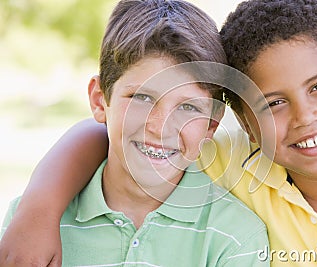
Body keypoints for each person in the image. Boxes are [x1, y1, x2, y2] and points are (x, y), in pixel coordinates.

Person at [2, 0, 317, 266]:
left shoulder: (233, 212)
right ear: (247, 123)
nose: (305, 117)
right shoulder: (231, 160)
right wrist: (39, 211)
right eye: (273, 103)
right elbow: (101, 135)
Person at [0, 0, 270, 266]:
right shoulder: (29, 226)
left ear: (212, 123)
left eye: (188, 107)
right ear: (98, 100)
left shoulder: (234, 239)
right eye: (141, 97)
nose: (159, 126)